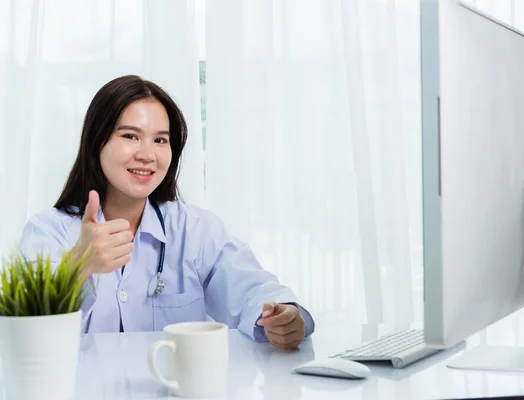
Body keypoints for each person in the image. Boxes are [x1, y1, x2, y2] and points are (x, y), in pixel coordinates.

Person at [18, 75, 315, 350]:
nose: (148, 154)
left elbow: (253, 289)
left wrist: (281, 315)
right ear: (97, 143)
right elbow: (24, 334)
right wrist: (76, 267)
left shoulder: (196, 230)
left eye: (160, 140)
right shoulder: (48, 232)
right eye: (130, 136)